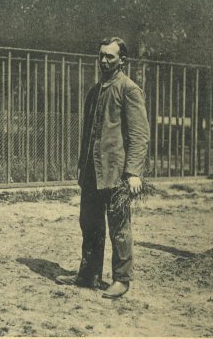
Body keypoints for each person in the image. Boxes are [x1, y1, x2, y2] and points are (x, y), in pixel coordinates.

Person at [56, 37, 149, 299]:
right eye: (101, 56)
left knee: (119, 227)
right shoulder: (95, 91)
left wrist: (133, 173)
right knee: (89, 223)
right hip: (92, 171)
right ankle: (88, 274)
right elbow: (89, 134)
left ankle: (121, 279)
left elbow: (140, 135)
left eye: (110, 56)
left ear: (122, 60)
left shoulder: (129, 89)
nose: (104, 61)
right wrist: (81, 167)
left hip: (116, 172)